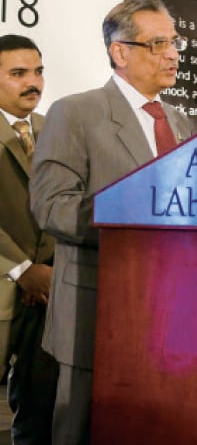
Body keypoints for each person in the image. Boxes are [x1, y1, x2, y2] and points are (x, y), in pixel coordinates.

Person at [29, 0, 197, 444]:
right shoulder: (76, 112)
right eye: (158, 43)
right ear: (120, 52)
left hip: (175, 312)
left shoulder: (183, 123)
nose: (172, 54)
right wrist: (133, 214)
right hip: (97, 308)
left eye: (175, 42)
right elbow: (52, 205)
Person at [0, 34, 58, 445]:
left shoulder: (49, 128)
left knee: (39, 407)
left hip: (48, 293)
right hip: (9, 282)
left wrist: (48, 272)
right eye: (18, 73)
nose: (32, 82)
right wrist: (22, 270)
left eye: (38, 71)